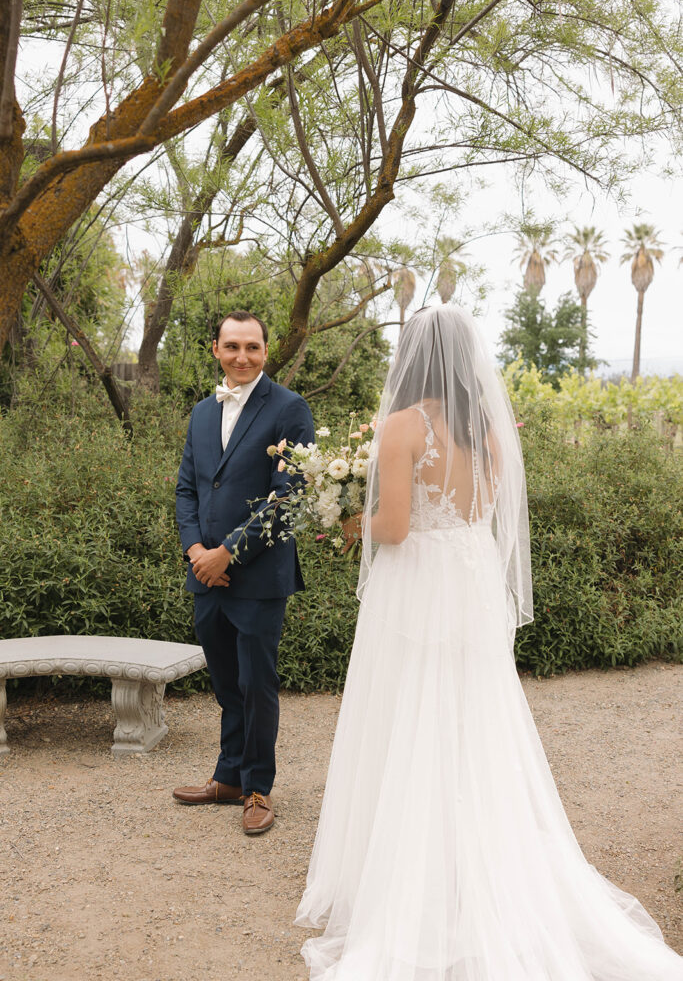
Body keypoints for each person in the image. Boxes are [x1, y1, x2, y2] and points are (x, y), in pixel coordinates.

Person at [295, 305, 682, 979]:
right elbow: (484, 514)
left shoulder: (399, 427)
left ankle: (415, 880)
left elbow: (393, 529)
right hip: (471, 583)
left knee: (411, 717)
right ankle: (478, 863)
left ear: (410, 358)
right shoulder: (491, 432)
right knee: (472, 722)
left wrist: (349, 521)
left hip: (418, 586)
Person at [174, 310, 314, 835]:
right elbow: (188, 488)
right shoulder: (201, 413)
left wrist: (228, 552)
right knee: (227, 682)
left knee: (257, 684)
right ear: (215, 349)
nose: (242, 356)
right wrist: (196, 552)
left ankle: (258, 788)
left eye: (252, 347)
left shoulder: (289, 409)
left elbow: (290, 498)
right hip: (204, 573)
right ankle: (227, 777)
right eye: (232, 346)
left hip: (255, 576)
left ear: (266, 351)